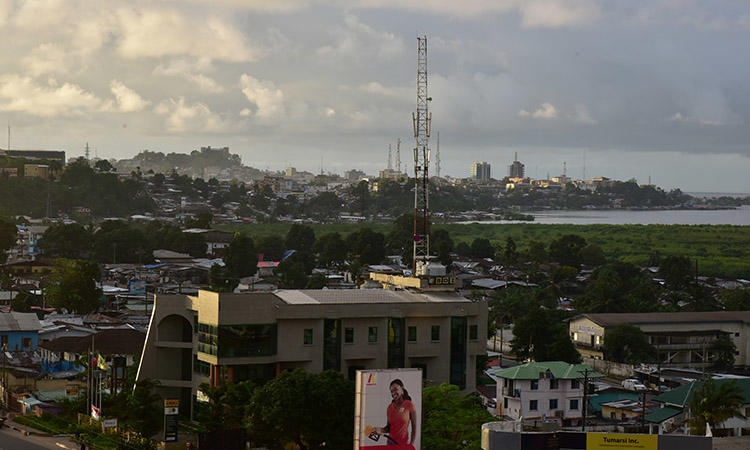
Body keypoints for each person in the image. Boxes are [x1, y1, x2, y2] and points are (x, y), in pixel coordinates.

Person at [375, 379, 417, 446]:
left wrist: (411, 445)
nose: (393, 393)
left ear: (402, 389)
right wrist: (379, 430)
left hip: (403, 443)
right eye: (391, 391)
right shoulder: (389, 407)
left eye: (395, 389)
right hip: (390, 443)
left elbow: (414, 429)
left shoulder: (409, 405)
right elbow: (388, 428)